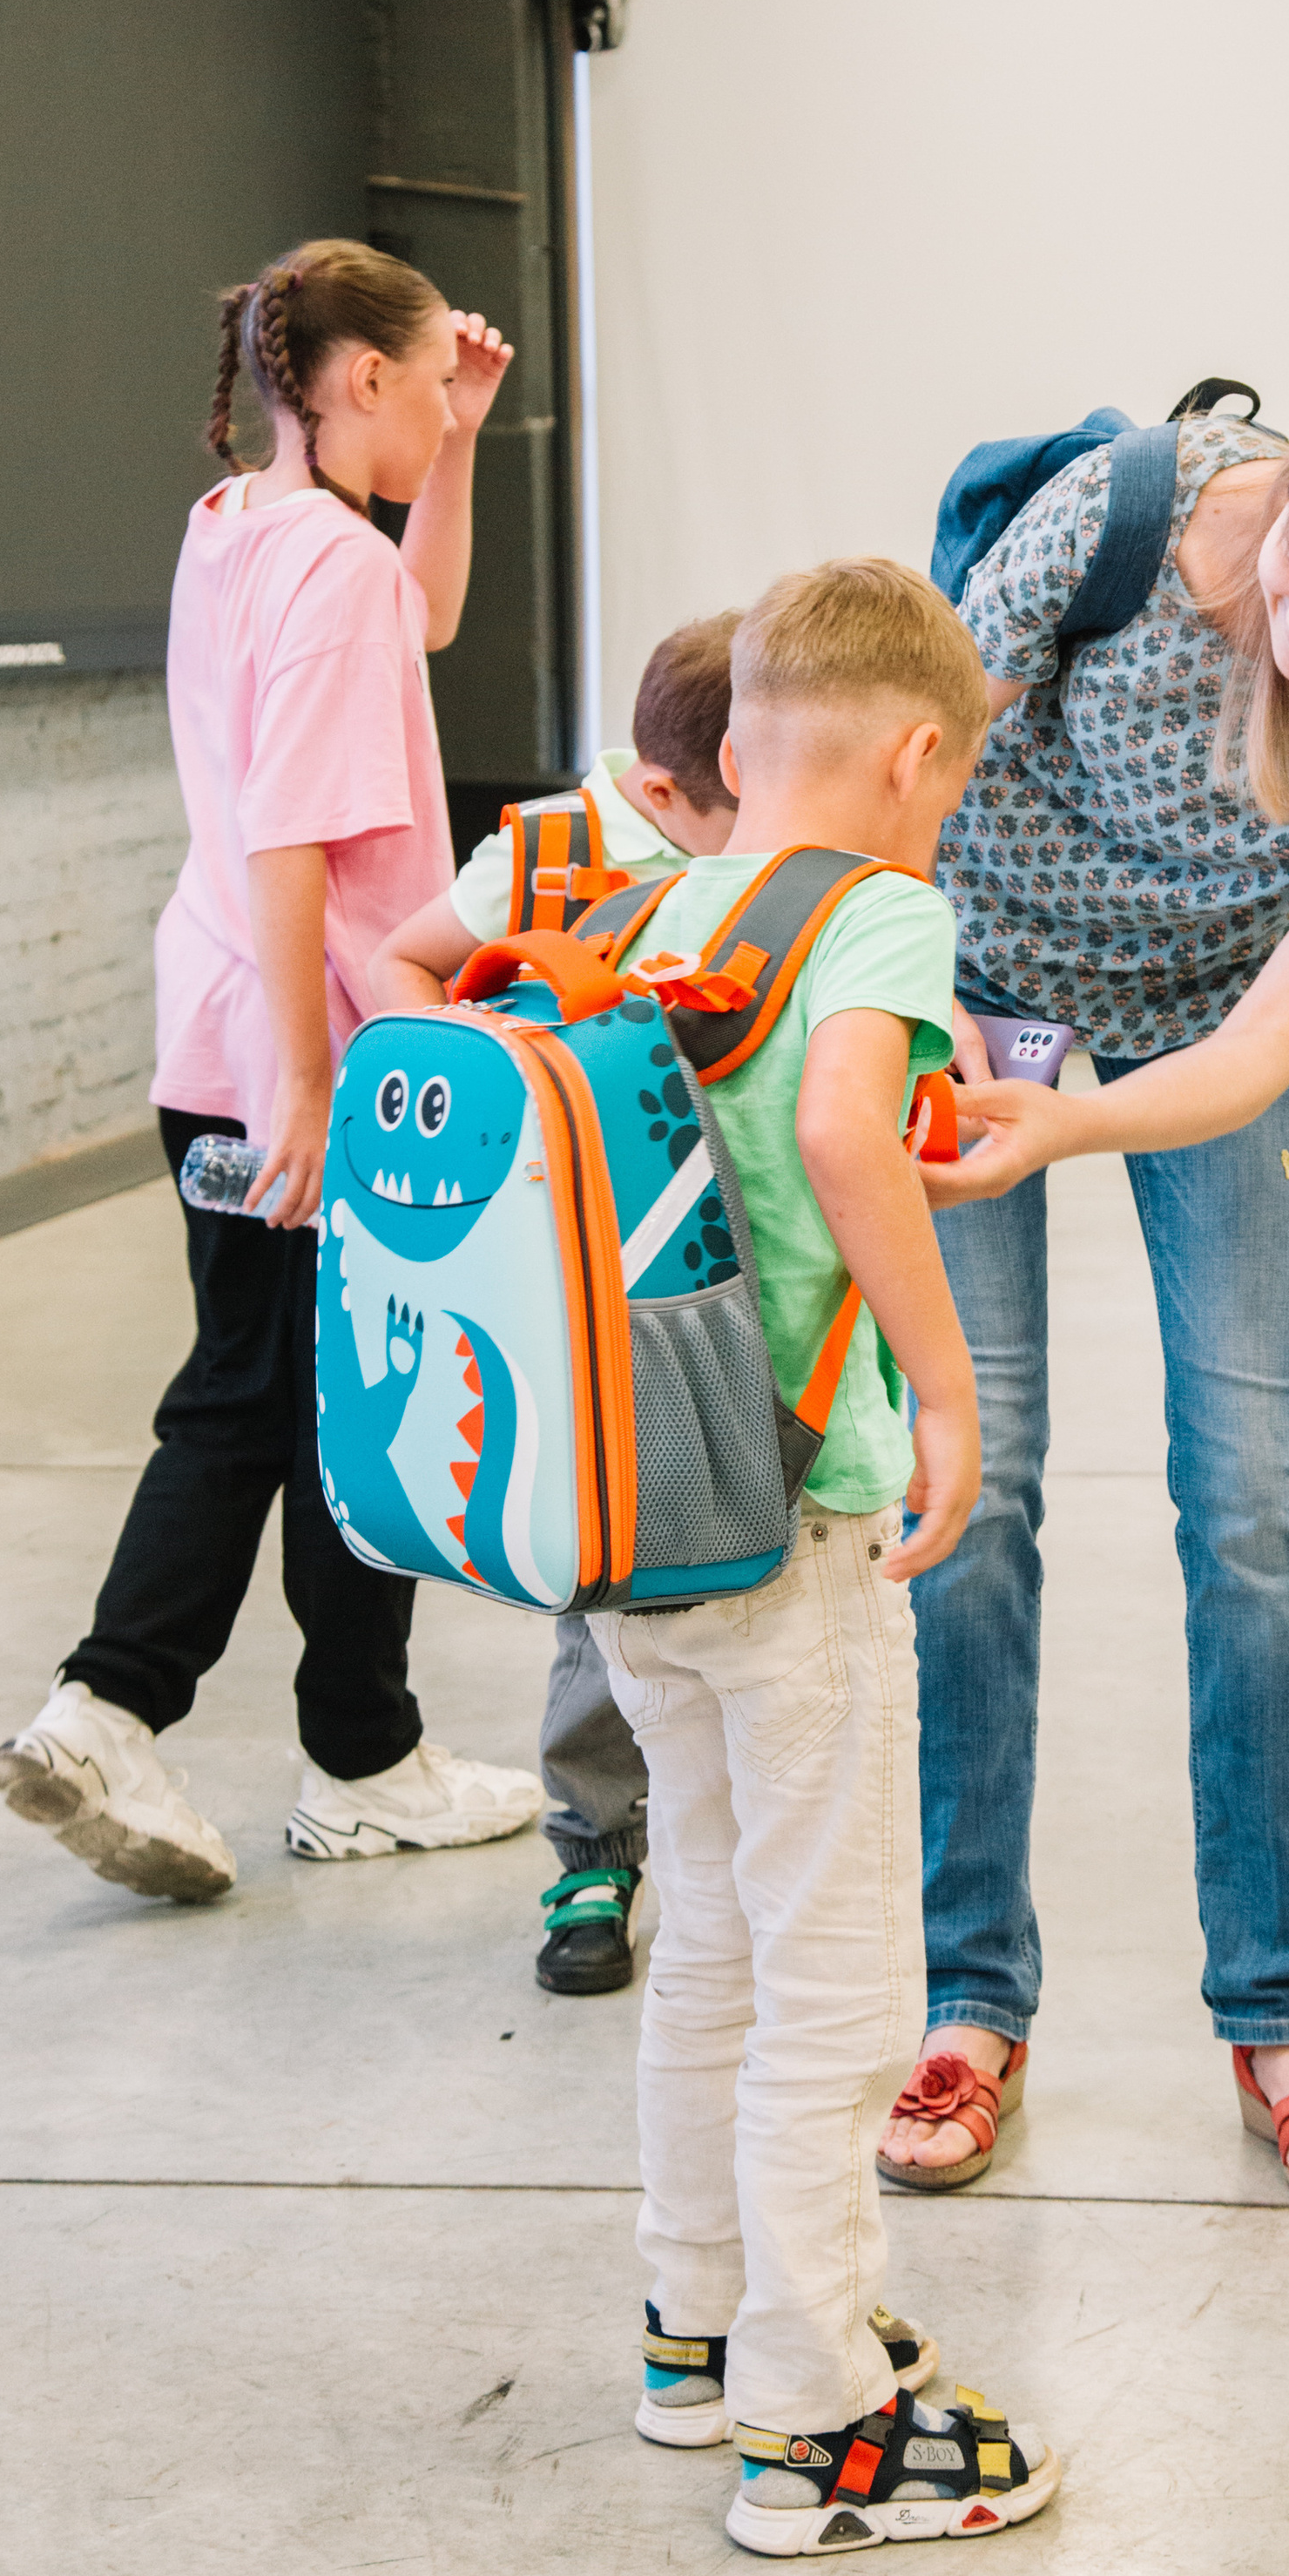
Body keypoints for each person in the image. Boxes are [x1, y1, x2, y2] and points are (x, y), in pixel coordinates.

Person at [877, 358, 1289, 2218]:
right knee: (969, 1480)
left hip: (1200, 1031)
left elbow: (1258, 1052)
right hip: (972, 972)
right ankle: (964, 2000)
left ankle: (1282, 2021)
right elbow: (895, 793)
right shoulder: (1120, 516)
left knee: (1250, 1495)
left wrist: (1066, 1133)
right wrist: (945, 1045)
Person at [597, 558, 1057, 2559]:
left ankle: (691, 2328)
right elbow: (854, 1136)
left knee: (701, 1932)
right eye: (945, 789)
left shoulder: (649, 907)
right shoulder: (872, 909)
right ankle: (817, 2417)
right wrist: (950, 1396)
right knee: (838, 1977)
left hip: (633, 1525)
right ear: (914, 750)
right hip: (787, 1520)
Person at [0, 240, 544, 1900]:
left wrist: (455, 443)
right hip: (304, 1048)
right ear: (362, 376)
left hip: (218, 1028)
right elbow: (286, 834)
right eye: (436, 384)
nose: (453, 406)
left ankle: (351, 1744)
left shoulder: (240, 526)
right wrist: (312, 1084)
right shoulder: (327, 567)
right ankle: (130, 1709)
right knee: (291, 1393)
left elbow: (424, 612)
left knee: (309, 1392)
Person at [371, 610, 741, 1996]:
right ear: (664, 792)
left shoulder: (775, 843)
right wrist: (488, 1083)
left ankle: (735, 1848)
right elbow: (402, 965)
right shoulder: (543, 854)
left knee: (755, 1549)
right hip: (580, 1277)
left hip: (736, 1263)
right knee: (606, 1569)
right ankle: (595, 1844)